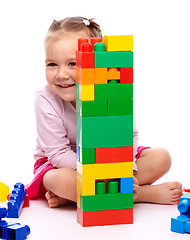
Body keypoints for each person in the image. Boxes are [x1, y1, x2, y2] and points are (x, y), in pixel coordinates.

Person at [26, 16, 182, 208]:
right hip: (62, 164)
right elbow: (57, 153)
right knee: (58, 180)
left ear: (96, 63)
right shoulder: (45, 99)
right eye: (52, 64)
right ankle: (138, 194)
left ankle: (87, 194)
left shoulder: (111, 92)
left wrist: (125, 171)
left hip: (109, 158)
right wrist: (99, 174)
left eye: (72, 64)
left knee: (161, 157)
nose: (61, 74)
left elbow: (128, 136)